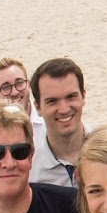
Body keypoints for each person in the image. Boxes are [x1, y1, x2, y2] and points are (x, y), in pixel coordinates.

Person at [29, 58, 92, 188]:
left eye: (71, 97)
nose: (64, 109)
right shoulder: (32, 175)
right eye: (52, 101)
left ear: (83, 96)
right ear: (38, 108)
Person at [0, 57, 43, 139]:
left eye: (19, 83)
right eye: (6, 87)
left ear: (28, 84)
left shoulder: (48, 119)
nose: (14, 92)